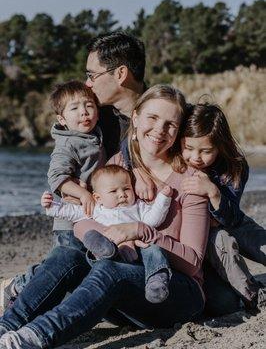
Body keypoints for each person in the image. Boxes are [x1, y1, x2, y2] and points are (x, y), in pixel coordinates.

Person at [0, 85, 210, 349]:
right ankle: (6, 326)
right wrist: (107, 238)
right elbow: (85, 219)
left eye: (170, 124)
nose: (159, 130)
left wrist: (140, 231)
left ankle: (33, 338)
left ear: (178, 131)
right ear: (135, 118)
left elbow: (192, 263)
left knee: (111, 270)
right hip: (126, 291)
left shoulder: (191, 182)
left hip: (176, 293)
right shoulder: (118, 165)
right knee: (68, 256)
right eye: (152, 118)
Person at [0, 32, 146, 309]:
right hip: (87, 212)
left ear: (121, 73)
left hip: (124, 212)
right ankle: (21, 287)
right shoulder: (95, 116)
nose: (88, 85)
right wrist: (78, 189)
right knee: (70, 259)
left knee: (83, 263)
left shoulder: (154, 113)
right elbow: (63, 161)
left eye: (92, 75)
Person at [42, 164, 173, 303]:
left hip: (138, 250)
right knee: (95, 238)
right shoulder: (97, 209)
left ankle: (156, 280)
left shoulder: (138, 206)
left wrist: (163, 198)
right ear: (98, 197)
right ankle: (105, 250)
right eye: (113, 191)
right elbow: (71, 212)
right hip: (112, 253)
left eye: (127, 188)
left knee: (154, 250)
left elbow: (153, 220)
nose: (122, 194)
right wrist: (52, 206)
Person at [180, 103, 266, 312]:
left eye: (206, 150)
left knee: (260, 243)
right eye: (188, 148)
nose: (195, 157)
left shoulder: (234, 166)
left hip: (231, 218)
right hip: (203, 232)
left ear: (220, 146)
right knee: (224, 242)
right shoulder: (178, 165)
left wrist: (213, 192)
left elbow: (230, 217)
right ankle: (254, 295)